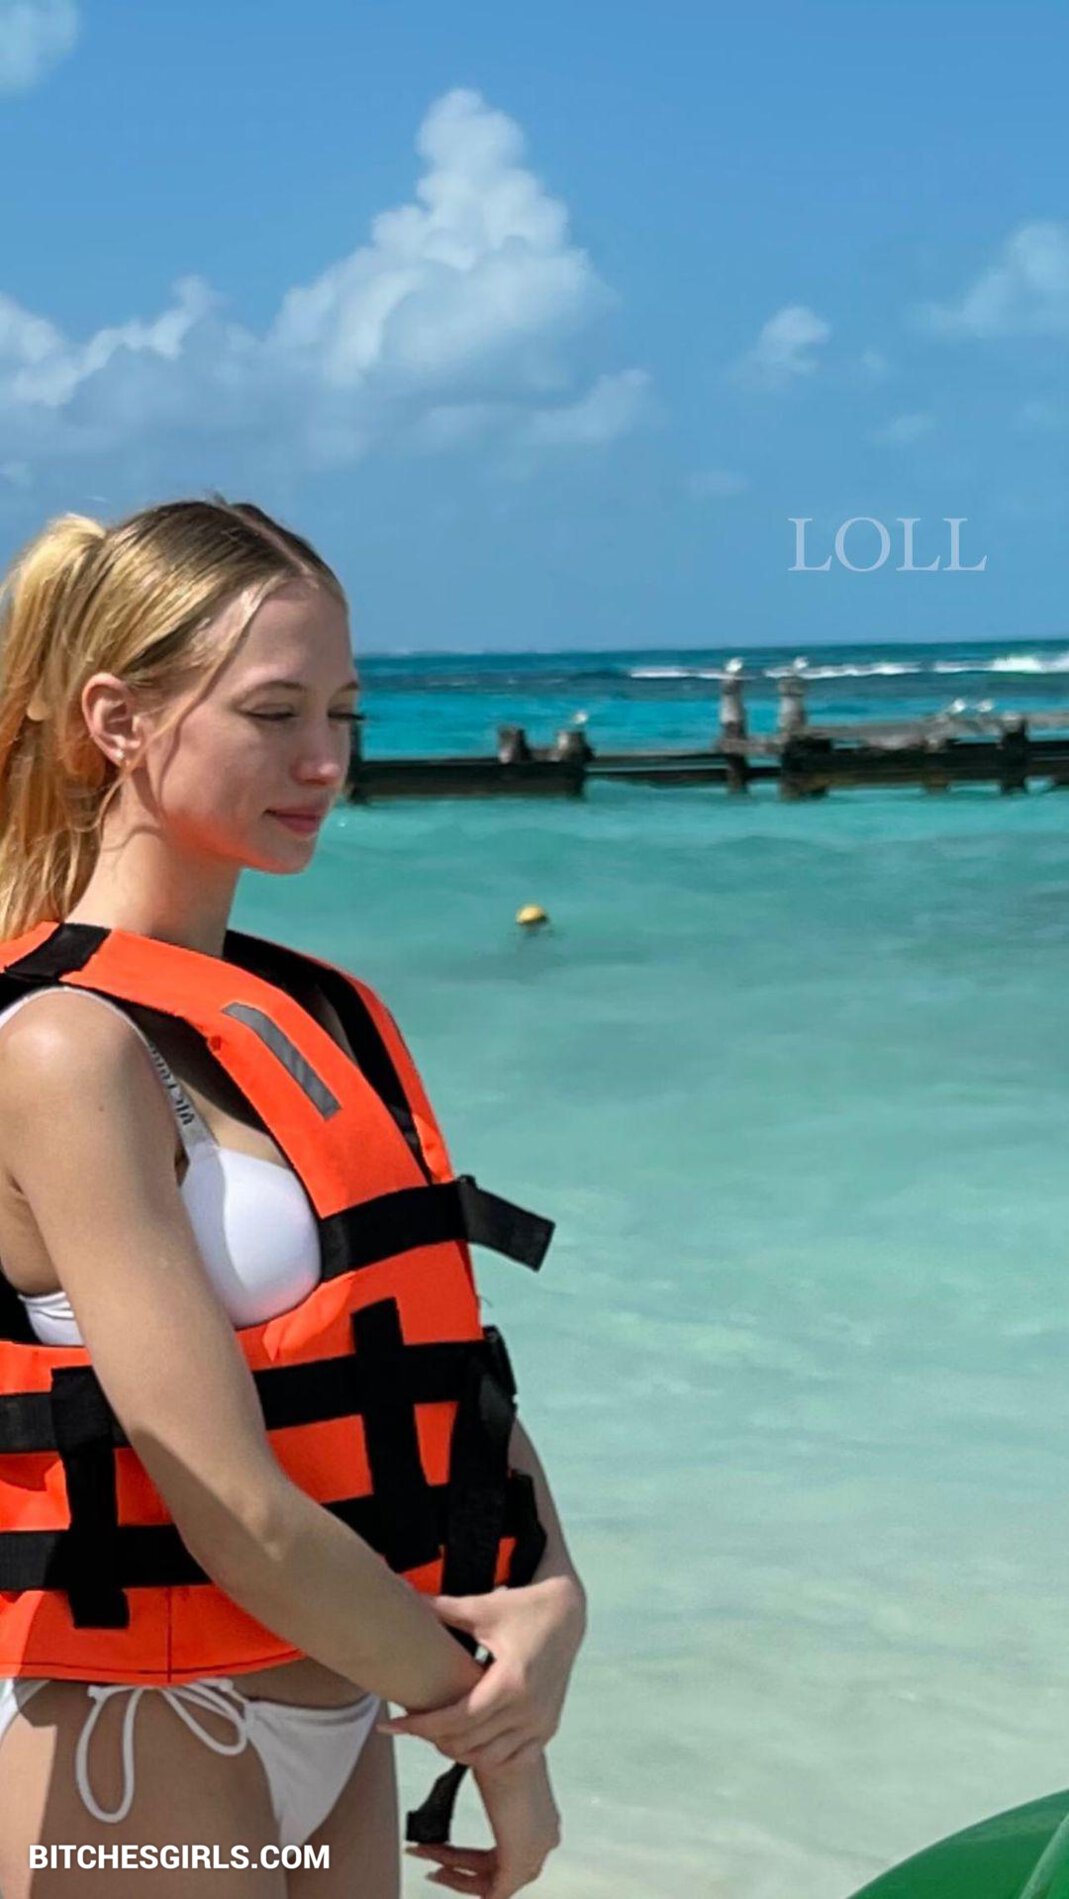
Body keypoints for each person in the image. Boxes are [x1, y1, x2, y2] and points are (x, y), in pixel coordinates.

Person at [0, 499, 587, 1898]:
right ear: (118, 720)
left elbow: (440, 1368)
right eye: (273, 714)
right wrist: (501, 1738)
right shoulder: (61, 1049)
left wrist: (554, 1595)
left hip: (349, 1701)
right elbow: (233, 1510)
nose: (326, 760)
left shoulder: (327, 1016)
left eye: (343, 711)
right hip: (137, 1733)